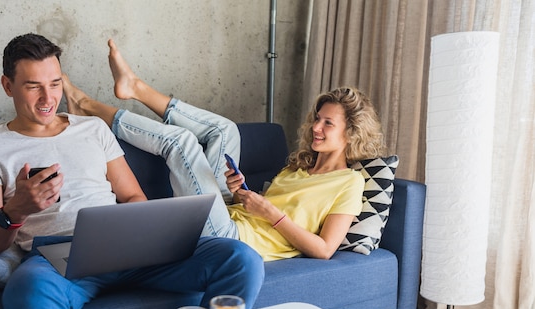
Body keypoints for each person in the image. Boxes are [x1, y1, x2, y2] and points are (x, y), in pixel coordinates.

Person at [0, 33, 264, 309]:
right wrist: (16, 210)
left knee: (241, 258)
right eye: (33, 86)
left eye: (55, 83)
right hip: (59, 257)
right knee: (27, 292)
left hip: (127, 243)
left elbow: (132, 195)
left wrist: (148, 231)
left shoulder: (92, 128)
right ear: (8, 85)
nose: (48, 97)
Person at [63, 39, 386, 263]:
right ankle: (135, 88)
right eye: (317, 118)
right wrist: (239, 192)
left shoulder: (350, 182)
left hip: (233, 241)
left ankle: (87, 105)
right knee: (224, 130)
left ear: (351, 133)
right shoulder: (297, 168)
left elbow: (324, 249)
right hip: (226, 216)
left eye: (328, 123)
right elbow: (248, 210)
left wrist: (270, 213)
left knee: (181, 143)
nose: (316, 127)